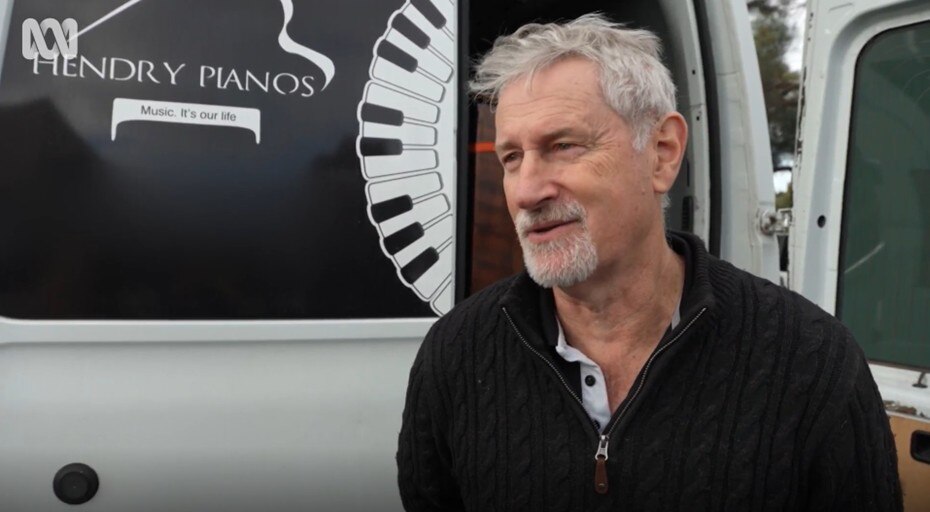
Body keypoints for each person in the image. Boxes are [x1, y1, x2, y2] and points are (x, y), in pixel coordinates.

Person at [397, 13, 902, 511]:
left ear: (662, 152)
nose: (527, 191)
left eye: (564, 146)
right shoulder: (457, 355)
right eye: (511, 158)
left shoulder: (808, 360)